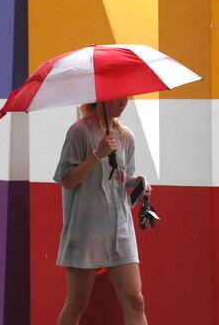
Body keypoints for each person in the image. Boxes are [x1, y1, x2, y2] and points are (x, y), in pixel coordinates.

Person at [53, 97, 150, 325]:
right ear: (101, 98)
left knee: (135, 300)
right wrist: (98, 154)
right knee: (78, 303)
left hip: (120, 230)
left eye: (126, 96)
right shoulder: (79, 132)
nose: (124, 102)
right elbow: (66, 179)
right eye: (118, 97)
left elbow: (120, 179)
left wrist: (137, 184)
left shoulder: (126, 136)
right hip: (86, 231)